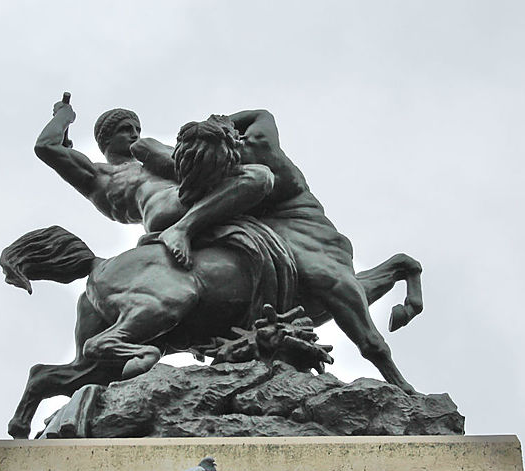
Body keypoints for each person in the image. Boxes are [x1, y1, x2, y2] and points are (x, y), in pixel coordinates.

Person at [135, 109, 415, 393]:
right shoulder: (219, 157)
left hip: (303, 230)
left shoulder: (253, 153)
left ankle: (393, 372)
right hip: (286, 235)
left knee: (337, 286)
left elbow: (259, 115)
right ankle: (399, 381)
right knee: (338, 289)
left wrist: (212, 126)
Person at [33, 95, 273, 262]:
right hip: (168, 210)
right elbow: (45, 146)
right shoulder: (98, 175)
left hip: (193, 200)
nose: (134, 134)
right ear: (106, 139)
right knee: (259, 177)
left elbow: (192, 166)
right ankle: (181, 230)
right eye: (126, 129)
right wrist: (64, 116)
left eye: (137, 128)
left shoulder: (148, 155)